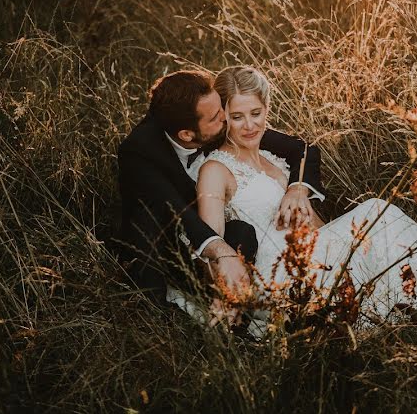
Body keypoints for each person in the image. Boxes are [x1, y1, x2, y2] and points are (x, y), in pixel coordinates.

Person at [197, 66, 417, 323]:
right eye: (237, 116)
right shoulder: (215, 169)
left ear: (267, 109)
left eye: (256, 113)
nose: (250, 125)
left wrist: (301, 196)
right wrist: (227, 298)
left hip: (311, 251)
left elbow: (312, 219)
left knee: (375, 229)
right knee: (374, 210)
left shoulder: (270, 154)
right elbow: (210, 245)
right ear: (222, 115)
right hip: (277, 274)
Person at [115, 70, 326, 305]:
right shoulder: (140, 153)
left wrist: (297, 189)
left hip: (222, 224)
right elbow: (176, 211)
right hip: (165, 240)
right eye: (218, 116)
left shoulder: (214, 120)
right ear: (187, 134)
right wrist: (221, 253)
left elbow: (302, 149)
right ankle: (155, 308)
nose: (225, 118)